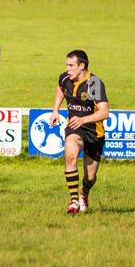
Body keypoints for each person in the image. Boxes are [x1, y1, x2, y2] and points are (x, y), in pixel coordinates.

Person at [50, 50, 109, 214]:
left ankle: (84, 193)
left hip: (94, 132)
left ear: (82, 66)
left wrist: (83, 119)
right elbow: (60, 88)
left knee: (90, 178)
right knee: (70, 156)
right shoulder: (64, 78)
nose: (67, 69)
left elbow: (104, 112)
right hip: (74, 128)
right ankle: (74, 200)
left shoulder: (94, 84)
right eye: (66, 65)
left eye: (71, 65)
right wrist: (55, 110)